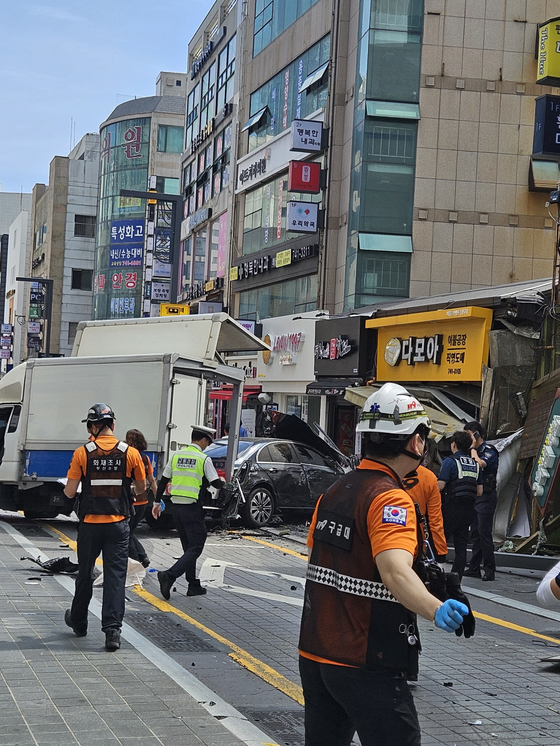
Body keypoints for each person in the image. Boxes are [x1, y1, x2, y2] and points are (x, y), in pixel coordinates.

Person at [298, 383, 470, 746]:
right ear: (414, 442)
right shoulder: (389, 499)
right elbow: (393, 571)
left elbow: (325, 558)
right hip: (366, 659)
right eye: (422, 436)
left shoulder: (335, 491)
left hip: (316, 652)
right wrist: (436, 608)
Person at [63, 403, 146, 651]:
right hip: (118, 525)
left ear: (94, 426)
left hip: (89, 525)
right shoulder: (130, 453)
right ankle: (112, 632)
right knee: (115, 577)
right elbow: (141, 489)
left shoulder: (82, 453)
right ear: (112, 425)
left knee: (85, 573)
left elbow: (69, 492)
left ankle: (79, 622)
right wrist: (127, 489)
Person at [153, 425, 224, 598]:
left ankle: (193, 585)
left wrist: (156, 501)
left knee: (189, 549)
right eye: (208, 442)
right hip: (192, 509)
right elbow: (215, 483)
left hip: (175, 509)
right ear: (203, 440)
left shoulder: (177, 455)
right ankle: (169, 576)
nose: (207, 446)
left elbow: (163, 481)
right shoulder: (203, 458)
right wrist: (223, 481)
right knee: (197, 546)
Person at [437, 431, 482, 579]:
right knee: (461, 546)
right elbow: (480, 491)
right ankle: (457, 578)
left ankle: (439, 573)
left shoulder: (450, 461)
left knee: (440, 541)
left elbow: (440, 486)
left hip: (451, 508)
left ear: (454, 444)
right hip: (469, 510)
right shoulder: (475, 464)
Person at [463, 421, 499, 581]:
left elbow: (481, 464)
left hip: (487, 495)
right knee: (475, 533)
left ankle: (489, 569)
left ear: (476, 434)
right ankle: (474, 568)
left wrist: (472, 448)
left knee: (484, 533)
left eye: (468, 434)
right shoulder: (472, 452)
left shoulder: (488, 451)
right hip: (476, 496)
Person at [403, 462, 447, 562]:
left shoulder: (377, 474)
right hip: (414, 540)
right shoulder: (428, 477)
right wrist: (440, 552)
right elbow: (435, 520)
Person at [125, 429, 157, 568]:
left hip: (131, 500)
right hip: (143, 501)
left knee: (126, 532)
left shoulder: (127, 456)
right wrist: (158, 498)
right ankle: (143, 557)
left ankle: (136, 560)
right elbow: (151, 480)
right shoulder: (145, 459)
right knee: (129, 530)